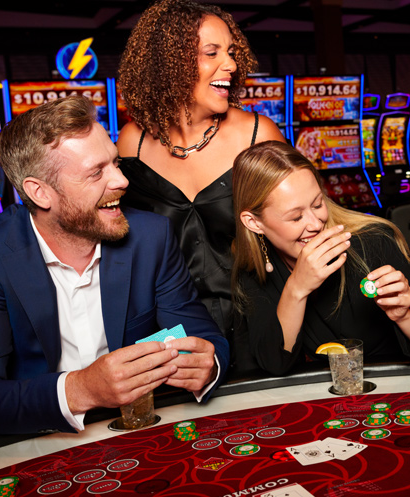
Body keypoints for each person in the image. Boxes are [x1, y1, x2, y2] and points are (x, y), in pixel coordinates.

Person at [0, 96, 229, 436]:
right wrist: (81, 389)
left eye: (115, 163)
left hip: (139, 431)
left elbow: (205, 337)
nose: (121, 181)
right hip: (39, 443)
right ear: (40, 193)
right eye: (96, 172)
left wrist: (207, 366)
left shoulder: (150, 236)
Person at [117, 0, 285, 371]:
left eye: (231, 52)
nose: (232, 65)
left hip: (256, 319)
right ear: (169, 64)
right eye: (212, 53)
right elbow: (124, 246)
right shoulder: (133, 142)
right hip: (172, 333)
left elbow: (304, 225)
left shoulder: (257, 135)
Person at [232, 141, 410, 375]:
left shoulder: (375, 242)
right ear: (254, 223)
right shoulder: (253, 273)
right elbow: (273, 365)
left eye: (318, 204)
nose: (316, 224)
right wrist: (297, 289)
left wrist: (404, 317)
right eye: (296, 217)